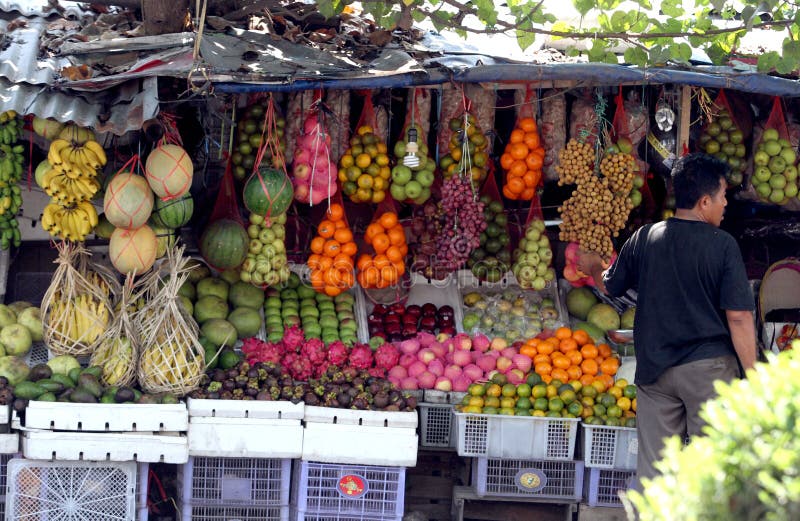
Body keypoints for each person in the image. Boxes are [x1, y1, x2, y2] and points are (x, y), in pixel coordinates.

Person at [576, 153, 756, 490]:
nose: (725, 205)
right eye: (723, 197)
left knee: (655, 474)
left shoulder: (646, 237)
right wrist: (756, 375)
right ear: (704, 201)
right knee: (714, 468)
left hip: (655, 369)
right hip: (708, 372)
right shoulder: (723, 246)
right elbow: (740, 317)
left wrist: (591, 268)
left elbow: (610, 285)